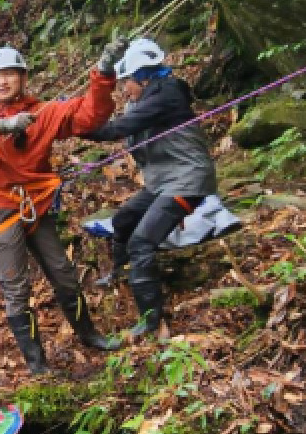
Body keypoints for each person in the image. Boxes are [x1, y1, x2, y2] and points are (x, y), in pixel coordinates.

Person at [0, 41, 128, 374]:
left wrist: (103, 72)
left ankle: (89, 335)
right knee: (16, 287)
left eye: (9, 74)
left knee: (64, 274)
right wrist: (1, 127)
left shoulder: (44, 112)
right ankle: (37, 364)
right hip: (1, 209)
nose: (2, 82)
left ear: (23, 77)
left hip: (36, 207)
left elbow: (90, 115)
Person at [83, 38, 216, 338]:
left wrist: (77, 126)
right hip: (163, 183)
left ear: (142, 78)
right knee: (123, 219)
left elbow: (118, 128)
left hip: (188, 181)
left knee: (141, 242)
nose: (124, 89)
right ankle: (120, 272)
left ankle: (151, 320)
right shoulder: (146, 99)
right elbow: (124, 123)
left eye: (127, 82)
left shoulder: (166, 95)